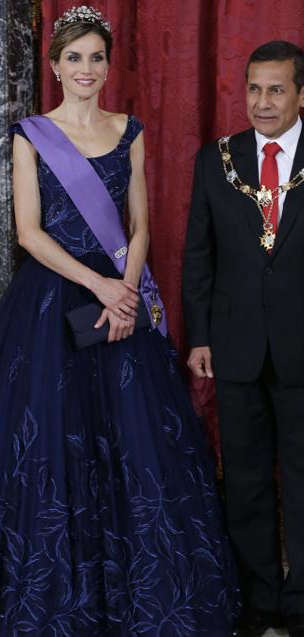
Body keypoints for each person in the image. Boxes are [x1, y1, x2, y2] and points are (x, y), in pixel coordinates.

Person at [0, 6, 239, 636]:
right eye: (74, 58)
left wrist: (126, 292)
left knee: (135, 448)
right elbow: (28, 231)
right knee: (43, 442)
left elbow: (142, 224)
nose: (87, 69)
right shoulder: (31, 134)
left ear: (107, 65)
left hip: (118, 300)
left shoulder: (130, 129)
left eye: (97, 57)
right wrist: (98, 283)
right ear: (54, 65)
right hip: (53, 301)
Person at [183, 40, 304, 637]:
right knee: (248, 480)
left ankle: (303, 601)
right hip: (233, 345)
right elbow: (198, 256)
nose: (262, 102)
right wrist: (200, 335)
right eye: (254, 88)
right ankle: (260, 599)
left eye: (276, 89)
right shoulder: (217, 159)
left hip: (303, 346)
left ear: (301, 95)